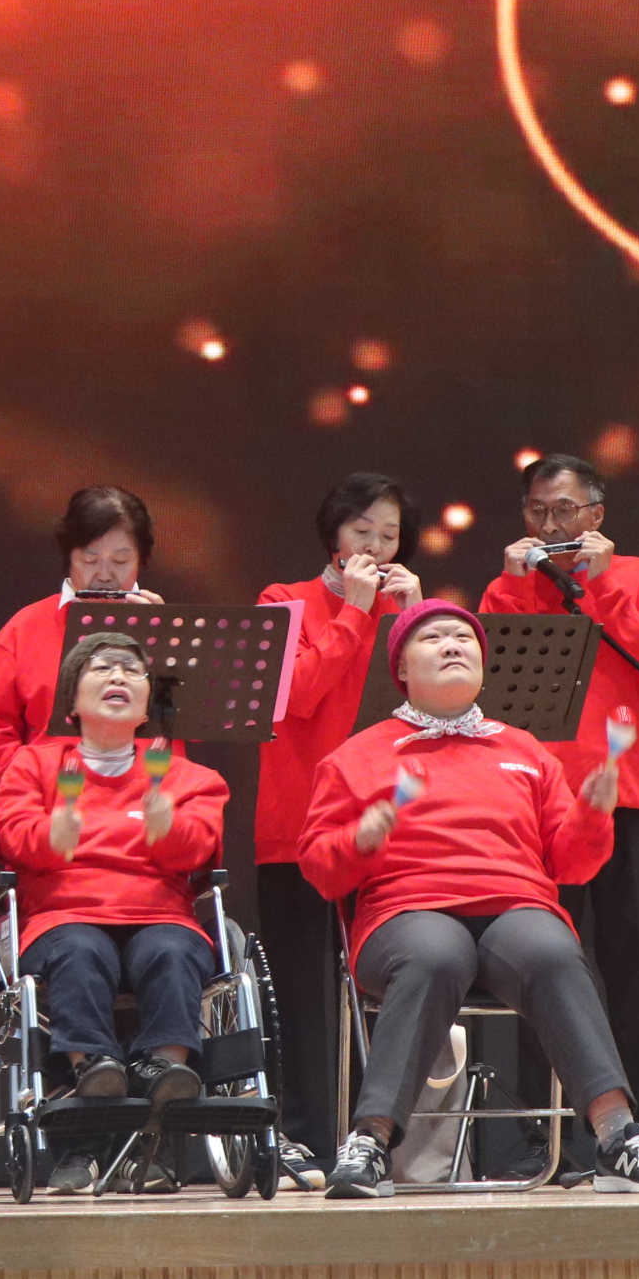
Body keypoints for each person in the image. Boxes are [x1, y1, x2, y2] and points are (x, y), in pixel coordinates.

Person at [298, 599, 639, 1197]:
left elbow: (572, 864)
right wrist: (360, 839)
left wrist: (593, 813)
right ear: (400, 667)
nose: (453, 645)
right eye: (433, 637)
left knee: (552, 951)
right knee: (435, 954)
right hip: (407, 913)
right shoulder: (358, 755)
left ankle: (618, 1136)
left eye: (465, 637)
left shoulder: (526, 750)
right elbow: (320, 870)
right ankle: (371, 1142)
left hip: (514, 906)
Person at [479, 453, 639, 1151]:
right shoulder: (510, 586)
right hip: (539, 801)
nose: (549, 524)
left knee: (633, 966)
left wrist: (604, 583)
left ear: (596, 515)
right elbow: (487, 679)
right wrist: (515, 585)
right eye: (537, 511)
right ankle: (548, 1136)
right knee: (540, 965)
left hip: (626, 794)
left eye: (564, 510)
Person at [0, 631, 228, 1194]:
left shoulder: (186, 775)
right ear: (71, 700)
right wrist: (51, 835)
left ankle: (162, 1072)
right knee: (80, 949)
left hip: (159, 913)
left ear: (147, 706)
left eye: (131, 670)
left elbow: (201, 849)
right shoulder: (35, 764)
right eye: (101, 668)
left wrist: (169, 830)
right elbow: (8, 837)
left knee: (172, 950)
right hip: (64, 914)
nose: (118, 676)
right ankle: (91, 1072)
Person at [253, 472, 423, 1192]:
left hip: (390, 827)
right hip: (299, 823)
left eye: (389, 536)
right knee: (302, 990)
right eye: (363, 532)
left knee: (390, 982)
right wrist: (354, 611)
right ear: (334, 535)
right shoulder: (282, 600)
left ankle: (379, 1141)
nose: (377, 547)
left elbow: (439, 701)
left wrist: (416, 617)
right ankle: (304, 1136)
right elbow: (294, 695)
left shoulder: (403, 610)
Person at [0, 486, 164, 784]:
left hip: (152, 794)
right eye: (90, 560)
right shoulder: (23, 630)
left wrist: (164, 641)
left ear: (142, 559)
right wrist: (32, 785)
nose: (105, 575)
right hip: (55, 793)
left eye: (121, 562)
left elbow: (205, 721)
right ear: (69, 557)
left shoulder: (170, 629)